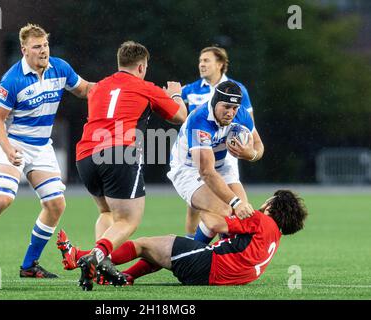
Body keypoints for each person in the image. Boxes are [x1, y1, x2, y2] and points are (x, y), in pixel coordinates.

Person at [0, 23, 94, 279]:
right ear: (24, 50)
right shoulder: (12, 79)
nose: (43, 51)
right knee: (2, 199)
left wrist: (117, 89)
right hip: (13, 142)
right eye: (37, 47)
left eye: (45, 45)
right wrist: (8, 148)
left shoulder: (60, 68)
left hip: (42, 146)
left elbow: (86, 90)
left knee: (56, 204)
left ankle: (29, 265)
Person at [73, 40, 187, 290]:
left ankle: (101, 267)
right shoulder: (145, 87)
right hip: (119, 152)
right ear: (142, 66)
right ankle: (96, 256)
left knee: (107, 213)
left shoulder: (100, 86)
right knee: (128, 221)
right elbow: (181, 117)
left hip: (85, 154)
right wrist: (175, 94)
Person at [58, 189, 308, 286]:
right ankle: (124, 277)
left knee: (144, 244)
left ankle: (79, 257)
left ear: (274, 207)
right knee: (162, 251)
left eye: (270, 200)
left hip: (210, 267)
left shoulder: (261, 219)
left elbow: (212, 222)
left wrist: (198, 195)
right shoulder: (274, 236)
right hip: (222, 276)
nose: (264, 202)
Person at [167, 81, 264, 246]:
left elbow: (259, 146)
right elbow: (206, 172)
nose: (230, 113)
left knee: (243, 215)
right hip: (189, 169)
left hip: (221, 165)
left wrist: (251, 154)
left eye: (234, 108)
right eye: (226, 107)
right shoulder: (200, 119)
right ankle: (191, 252)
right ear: (214, 102)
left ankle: (219, 254)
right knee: (226, 210)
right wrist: (236, 203)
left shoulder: (241, 114)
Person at [181, 46, 263, 237]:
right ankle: (191, 246)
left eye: (206, 60)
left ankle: (219, 250)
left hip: (226, 155)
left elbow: (248, 126)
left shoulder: (238, 89)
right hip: (198, 151)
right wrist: (174, 96)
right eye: (200, 60)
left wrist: (249, 151)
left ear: (220, 64)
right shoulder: (192, 88)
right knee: (198, 209)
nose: (201, 64)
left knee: (229, 210)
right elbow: (170, 105)